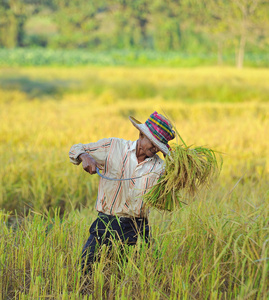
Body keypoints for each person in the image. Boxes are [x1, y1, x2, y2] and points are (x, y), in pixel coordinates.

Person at [69, 111, 175, 273]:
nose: (155, 148)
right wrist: (85, 157)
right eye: (152, 143)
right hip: (106, 222)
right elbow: (76, 148)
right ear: (141, 134)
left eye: (159, 146)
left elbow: (165, 200)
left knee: (132, 276)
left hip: (137, 228)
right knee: (85, 270)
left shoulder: (161, 168)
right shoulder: (113, 147)